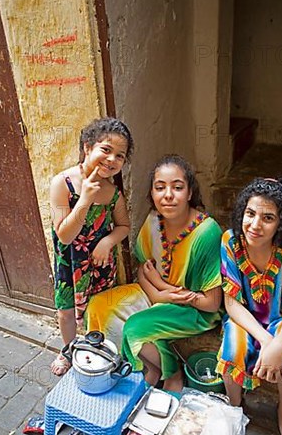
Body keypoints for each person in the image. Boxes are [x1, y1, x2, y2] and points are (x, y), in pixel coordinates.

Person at [86, 154, 222, 393]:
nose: (168, 195)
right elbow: (142, 269)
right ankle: (119, 362)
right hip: (157, 292)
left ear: (190, 193)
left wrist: (165, 291)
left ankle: (171, 372)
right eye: (160, 187)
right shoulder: (153, 221)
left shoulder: (206, 232)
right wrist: (160, 294)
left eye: (177, 187)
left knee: (135, 328)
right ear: (152, 193)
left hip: (193, 308)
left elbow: (211, 304)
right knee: (98, 306)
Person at [215, 177, 282, 435]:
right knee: (233, 350)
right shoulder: (230, 242)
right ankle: (234, 407)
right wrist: (267, 342)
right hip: (245, 318)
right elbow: (231, 304)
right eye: (250, 213)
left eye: (268, 218)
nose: (255, 225)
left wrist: (279, 342)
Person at [50, 117, 132, 375]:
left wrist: (108, 241)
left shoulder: (113, 193)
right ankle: (68, 350)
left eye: (120, 155)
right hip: (70, 263)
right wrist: (84, 199)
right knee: (66, 312)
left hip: (99, 263)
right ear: (87, 147)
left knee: (97, 308)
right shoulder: (62, 184)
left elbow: (124, 226)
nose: (111, 160)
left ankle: (95, 348)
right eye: (105, 150)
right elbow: (64, 235)